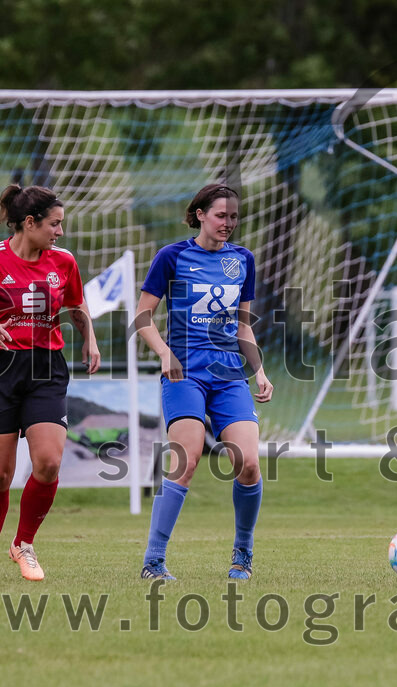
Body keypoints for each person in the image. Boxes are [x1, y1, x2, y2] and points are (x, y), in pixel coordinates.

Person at [0, 184, 101, 581]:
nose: (60, 232)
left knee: (49, 463)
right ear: (30, 223)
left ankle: (23, 544)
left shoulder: (64, 262)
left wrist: (89, 337)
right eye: (54, 224)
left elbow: (76, 303)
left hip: (46, 369)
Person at [136, 183, 273, 581]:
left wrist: (259, 370)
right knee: (186, 459)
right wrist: (164, 353)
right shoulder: (172, 257)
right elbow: (143, 316)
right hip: (185, 374)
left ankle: (242, 555)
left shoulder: (243, 259)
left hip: (229, 375)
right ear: (200, 215)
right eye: (220, 216)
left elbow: (243, 326)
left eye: (233, 217)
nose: (228, 223)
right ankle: (154, 561)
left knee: (247, 464)